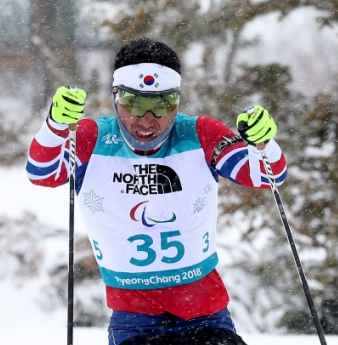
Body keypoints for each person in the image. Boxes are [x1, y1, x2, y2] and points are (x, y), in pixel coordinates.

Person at [26, 37, 287, 345]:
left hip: (204, 312)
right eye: (134, 104)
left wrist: (263, 143)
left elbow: (266, 176)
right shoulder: (92, 138)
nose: (147, 121)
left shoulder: (200, 133)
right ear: (115, 98)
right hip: (135, 319)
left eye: (162, 105)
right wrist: (56, 125)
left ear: (177, 101)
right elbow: (42, 173)